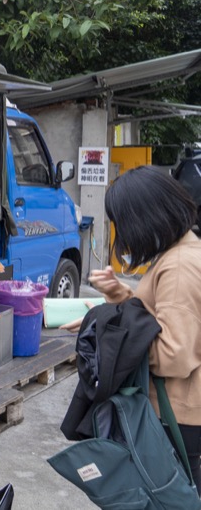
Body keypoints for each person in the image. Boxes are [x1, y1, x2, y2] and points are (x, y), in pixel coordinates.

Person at [77, 167, 201, 483]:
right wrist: (121, 297)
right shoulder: (184, 250)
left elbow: (174, 354)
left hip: (173, 418)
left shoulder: (178, 268)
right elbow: (160, 318)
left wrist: (107, 334)